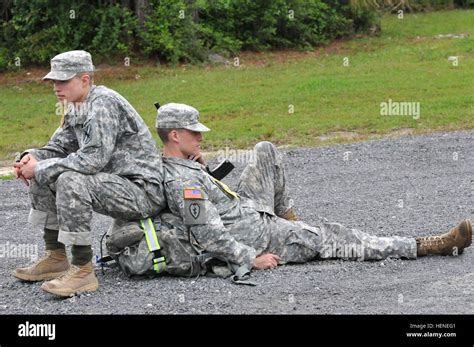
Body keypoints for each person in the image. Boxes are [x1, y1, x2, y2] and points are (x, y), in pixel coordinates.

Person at [154, 102, 472, 275]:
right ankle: (428, 245)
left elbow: (214, 201)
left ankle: (292, 224)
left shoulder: (186, 166)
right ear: (174, 136)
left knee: (265, 151)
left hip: (249, 211)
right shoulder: (182, 181)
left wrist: (202, 167)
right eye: (193, 132)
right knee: (336, 237)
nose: (201, 137)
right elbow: (206, 233)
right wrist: (250, 258)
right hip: (253, 234)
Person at [12, 50, 166, 297]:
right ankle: (56, 257)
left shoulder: (102, 104)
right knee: (44, 170)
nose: (56, 87)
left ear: (85, 79)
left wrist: (40, 167)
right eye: (53, 81)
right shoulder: (75, 106)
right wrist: (31, 157)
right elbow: (59, 147)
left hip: (141, 191)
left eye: (63, 80)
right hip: (114, 184)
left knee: (69, 178)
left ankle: (83, 271)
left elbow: (93, 160)